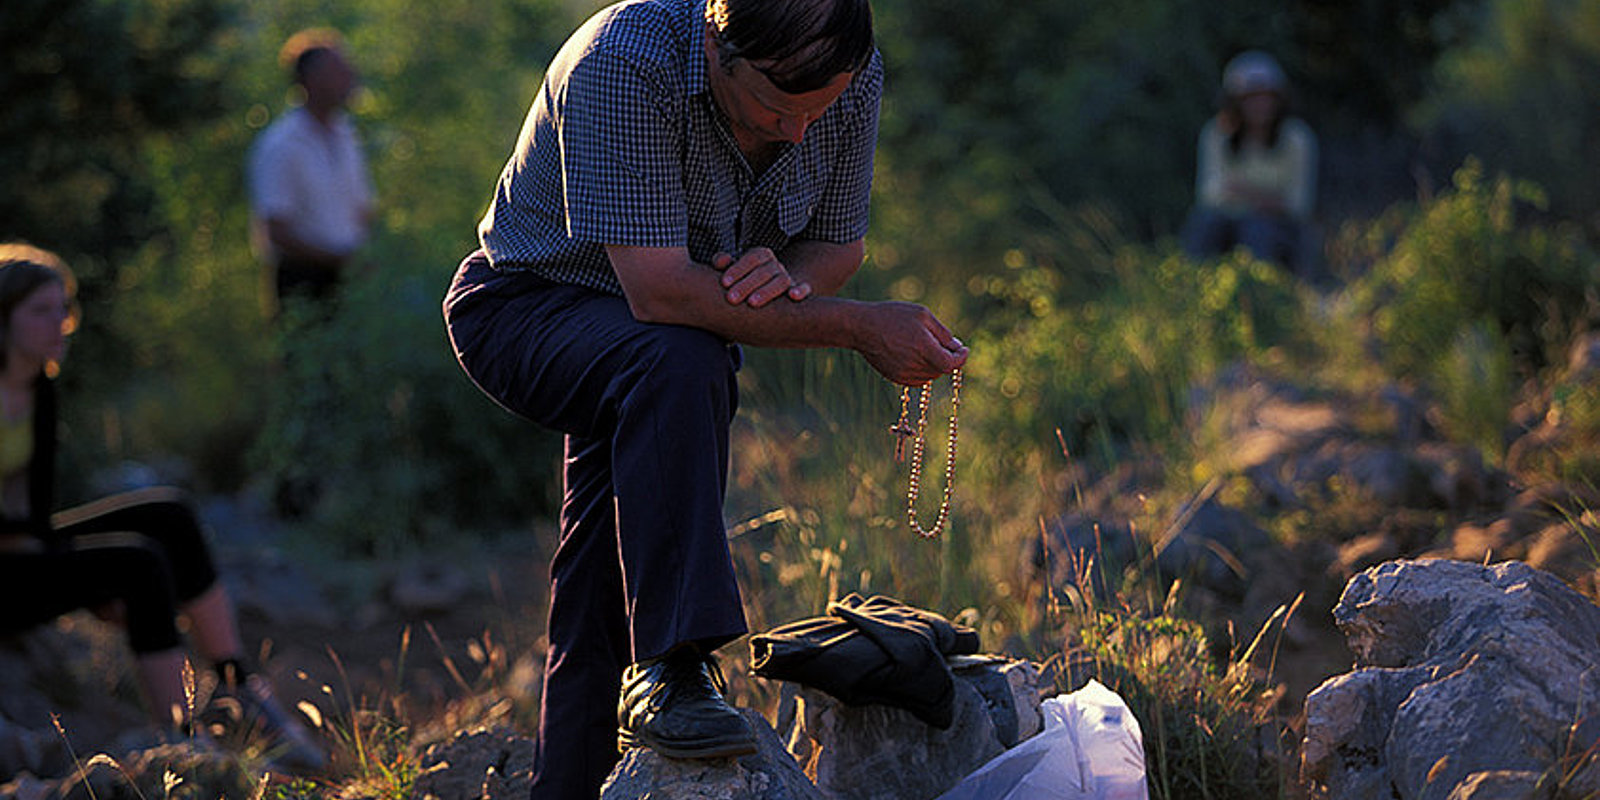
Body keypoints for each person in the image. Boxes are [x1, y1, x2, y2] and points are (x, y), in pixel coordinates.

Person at [441, 0, 967, 795]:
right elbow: (659, 294)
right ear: (719, 48)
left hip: (651, 346)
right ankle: (677, 664)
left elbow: (836, 242)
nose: (797, 134)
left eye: (815, 113)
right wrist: (856, 328)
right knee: (686, 359)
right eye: (774, 109)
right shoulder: (624, 63)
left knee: (602, 586)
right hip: (528, 306)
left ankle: (574, 778)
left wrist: (788, 282)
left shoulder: (850, 75)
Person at [0, 243, 325, 772]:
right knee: (137, 562)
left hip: (21, 547)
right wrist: (77, 573)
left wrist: (72, 570)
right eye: (40, 311)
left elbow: (36, 512)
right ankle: (182, 743)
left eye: (62, 309)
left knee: (167, 514)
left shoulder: (39, 386)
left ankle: (239, 685)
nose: (58, 322)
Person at [247, 28, 375, 312]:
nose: (350, 77)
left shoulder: (347, 135)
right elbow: (276, 230)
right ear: (311, 80)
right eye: (338, 70)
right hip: (302, 283)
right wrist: (335, 259)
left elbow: (363, 209)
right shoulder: (281, 144)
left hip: (350, 279)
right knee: (307, 353)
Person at [1181, 50, 1318, 274]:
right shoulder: (1217, 134)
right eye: (1251, 97)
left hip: (1279, 231)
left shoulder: (1297, 138)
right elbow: (1209, 194)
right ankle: (1193, 288)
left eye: (1266, 96)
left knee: (1258, 229)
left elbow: (1299, 204)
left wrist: (1245, 194)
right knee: (1204, 224)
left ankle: (1261, 296)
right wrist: (1265, 197)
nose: (1260, 105)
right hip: (1226, 225)